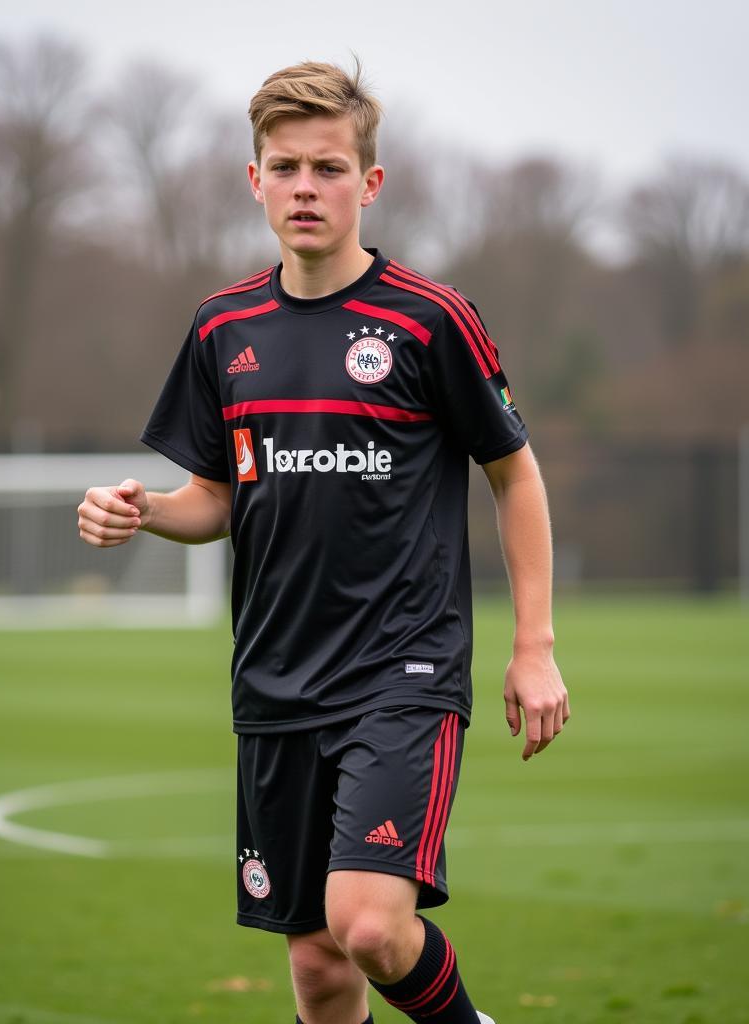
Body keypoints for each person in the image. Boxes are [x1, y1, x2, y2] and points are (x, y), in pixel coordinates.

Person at [78, 59, 569, 1024]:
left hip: (403, 669)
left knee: (373, 927)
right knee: (318, 968)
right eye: (286, 166)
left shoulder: (430, 319)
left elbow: (514, 471)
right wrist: (141, 510)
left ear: (369, 183)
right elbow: (216, 497)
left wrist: (535, 646)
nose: (307, 187)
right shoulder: (224, 328)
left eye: (329, 168)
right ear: (253, 179)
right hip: (273, 679)